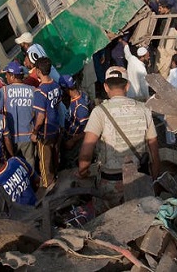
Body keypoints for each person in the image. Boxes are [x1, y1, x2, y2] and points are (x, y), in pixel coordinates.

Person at [78, 66, 160, 208]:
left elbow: (86, 152)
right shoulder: (144, 109)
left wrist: (82, 173)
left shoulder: (99, 112)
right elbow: (154, 150)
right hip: (139, 178)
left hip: (111, 182)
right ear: (127, 86)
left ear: (105, 87)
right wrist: (154, 179)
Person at [0, 61, 37, 168]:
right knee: (30, 162)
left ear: (13, 76)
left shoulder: (3, 91)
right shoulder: (33, 90)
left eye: (7, 74)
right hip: (28, 135)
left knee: (15, 164)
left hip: (10, 137)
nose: (5, 77)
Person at [31, 57, 62, 188]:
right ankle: (56, 177)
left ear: (38, 71)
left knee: (44, 161)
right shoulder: (55, 84)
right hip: (56, 126)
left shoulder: (40, 92)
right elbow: (58, 103)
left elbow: (40, 116)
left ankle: (48, 185)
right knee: (55, 156)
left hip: (45, 132)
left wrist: (35, 131)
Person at [60, 75, 90, 168]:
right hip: (70, 136)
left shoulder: (80, 107)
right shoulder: (82, 94)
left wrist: (72, 141)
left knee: (70, 163)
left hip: (75, 140)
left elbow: (88, 129)